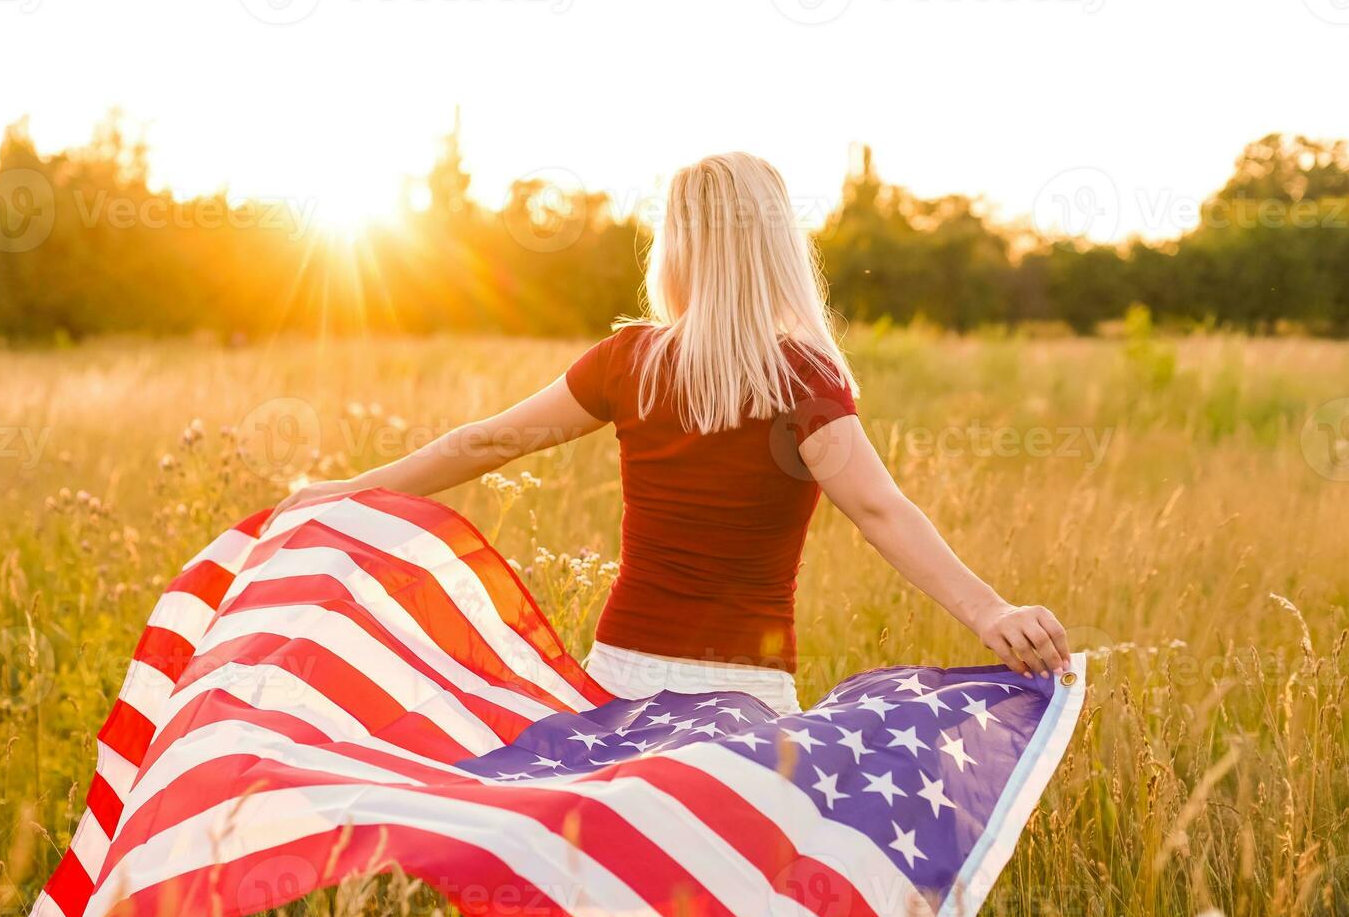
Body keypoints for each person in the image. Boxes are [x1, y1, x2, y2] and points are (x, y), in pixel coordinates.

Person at [267, 152, 1070, 715]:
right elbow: (879, 510)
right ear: (776, 246)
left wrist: (347, 491)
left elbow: (486, 443)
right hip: (745, 695)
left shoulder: (630, 362)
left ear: (680, 246)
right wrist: (989, 611)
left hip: (618, 676)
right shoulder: (803, 378)